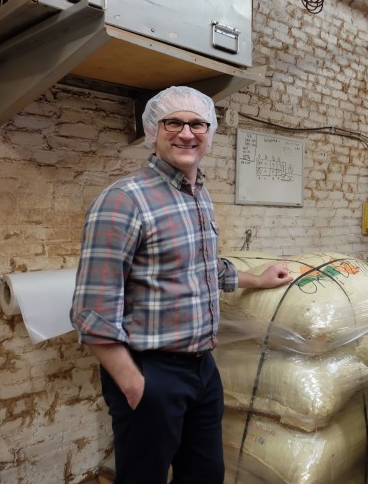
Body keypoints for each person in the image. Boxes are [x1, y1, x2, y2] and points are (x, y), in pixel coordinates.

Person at [70, 86, 292, 484]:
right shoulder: (124, 199)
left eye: (197, 124)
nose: (186, 133)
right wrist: (134, 384)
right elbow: (92, 309)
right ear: (152, 130)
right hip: (151, 372)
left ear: (211, 132)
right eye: (174, 122)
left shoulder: (198, 194)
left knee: (205, 475)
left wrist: (255, 279)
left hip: (203, 368)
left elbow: (198, 269)